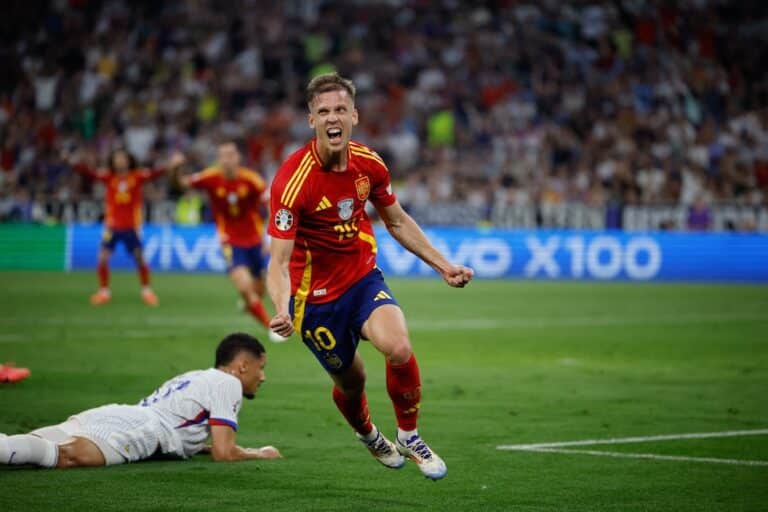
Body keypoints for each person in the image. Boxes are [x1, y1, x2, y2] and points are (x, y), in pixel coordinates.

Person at [267, 72, 473, 480]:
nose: (333, 117)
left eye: (340, 109)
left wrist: (443, 265)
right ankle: (368, 434)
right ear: (311, 120)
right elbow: (278, 261)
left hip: (361, 278)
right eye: (324, 111)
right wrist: (281, 308)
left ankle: (409, 435)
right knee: (353, 381)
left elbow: (396, 221)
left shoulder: (370, 163)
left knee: (398, 347)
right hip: (314, 300)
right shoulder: (292, 182)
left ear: (354, 116)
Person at [0, 333, 281, 468]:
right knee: (67, 456)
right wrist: (260, 453)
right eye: (261, 367)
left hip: (119, 414)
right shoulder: (228, 382)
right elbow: (225, 453)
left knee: (30, 441)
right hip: (144, 428)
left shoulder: (196, 376)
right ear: (243, 365)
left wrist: (198, 446)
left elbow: (192, 431)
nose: (263, 376)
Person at [174, 142, 282, 340]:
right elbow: (182, 183)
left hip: (254, 240)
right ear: (218, 159)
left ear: (238, 158)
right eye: (223, 155)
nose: (227, 159)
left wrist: (270, 236)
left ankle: (250, 305)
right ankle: (271, 327)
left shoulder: (251, 179)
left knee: (259, 289)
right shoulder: (210, 177)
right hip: (230, 240)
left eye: (231, 155)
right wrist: (176, 167)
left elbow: (272, 204)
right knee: (244, 286)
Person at [72, 149, 182, 306]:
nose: (120, 161)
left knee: (140, 258)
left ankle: (146, 291)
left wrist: (172, 164)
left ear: (129, 160)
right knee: (102, 258)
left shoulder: (136, 176)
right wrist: (73, 163)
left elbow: (155, 173)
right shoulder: (109, 177)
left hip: (131, 227)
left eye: (123, 158)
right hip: (112, 227)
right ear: (113, 161)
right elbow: (90, 174)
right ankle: (104, 292)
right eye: (117, 158)